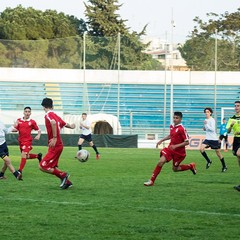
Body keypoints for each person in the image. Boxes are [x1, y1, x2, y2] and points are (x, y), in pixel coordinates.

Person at [144, 111, 196, 187]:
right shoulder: (172, 126)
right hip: (170, 150)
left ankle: (190, 166)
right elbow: (171, 135)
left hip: (179, 153)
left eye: (177, 118)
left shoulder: (182, 129)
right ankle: (151, 181)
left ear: (181, 119)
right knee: (160, 162)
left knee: (175, 169)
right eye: (174, 118)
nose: (175, 119)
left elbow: (187, 142)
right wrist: (162, 140)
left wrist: (176, 146)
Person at [40, 98, 76, 189]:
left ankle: (64, 175)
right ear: (52, 106)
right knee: (52, 166)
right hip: (57, 145)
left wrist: (55, 138)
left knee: (42, 166)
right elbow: (63, 123)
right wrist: (71, 126)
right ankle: (67, 182)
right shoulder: (56, 115)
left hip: (55, 145)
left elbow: (53, 123)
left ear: (43, 106)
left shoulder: (48, 115)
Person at [13, 106, 42, 175]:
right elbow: (15, 130)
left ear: (30, 113)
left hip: (27, 141)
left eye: (29, 112)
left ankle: (20, 170)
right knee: (26, 156)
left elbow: (39, 130)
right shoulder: (19, 120)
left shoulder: (32, 122)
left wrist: (38, 135)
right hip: (21, 141)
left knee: (23, 155)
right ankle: (37, 156)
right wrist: (12, 127)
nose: (27, 113)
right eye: (26, 111)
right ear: (23, 112)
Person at [200, 107, 227, 172]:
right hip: (208, 139)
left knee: (218, 153)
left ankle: (224, 166)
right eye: (205, 112)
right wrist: (204, 128)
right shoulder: (205, 120)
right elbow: (206, 128)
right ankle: (209, 161)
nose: (206, 113)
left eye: (208, 112)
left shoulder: (212, 120)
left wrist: (206, 125)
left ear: (210, 113)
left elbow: (212, 129)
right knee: (201, 149)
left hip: (214, 139)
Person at [226, 100, 240, 191]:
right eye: (235, 106)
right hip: (236, 140)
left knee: (239, 154)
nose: (236, 107)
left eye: (238, 106)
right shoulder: (232, 118)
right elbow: (228, 131)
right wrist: (230, 126)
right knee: (239, 158)